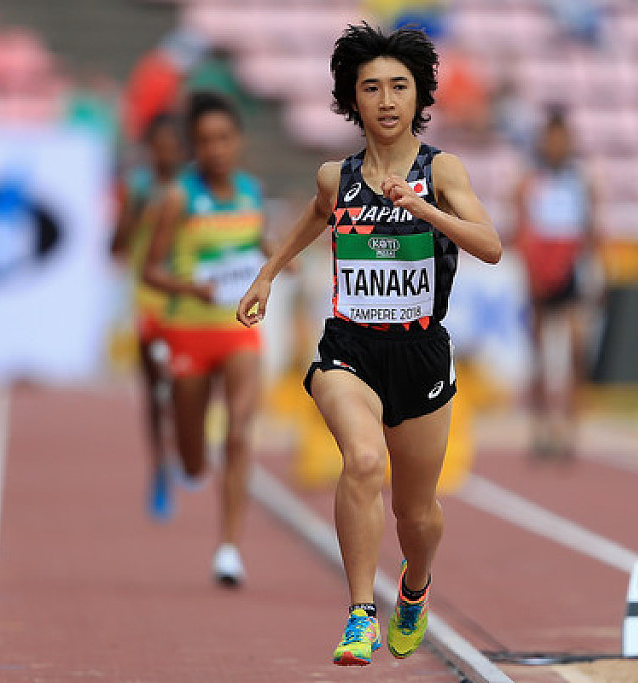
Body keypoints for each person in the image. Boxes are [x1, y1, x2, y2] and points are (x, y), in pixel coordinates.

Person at [238, 24, 501, 666]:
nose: (386, 100)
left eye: (399, 87)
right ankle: (361, 613)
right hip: (349, 348)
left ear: (419, 97)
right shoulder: (338, 177)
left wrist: (424, 210)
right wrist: (268, 274)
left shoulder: (442, 170)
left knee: (417, 513)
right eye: (372, 88)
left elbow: (491, 246)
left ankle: (415, 586)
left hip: (420, 353)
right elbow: (313, 217)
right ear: (351, 99)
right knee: (361, 461)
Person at [144, 91, 268, 587]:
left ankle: (229, 548)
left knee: (238, 433)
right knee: (194, 461)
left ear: (239, 141)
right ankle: (185, 454)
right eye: (205, 140)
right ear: (194, 146)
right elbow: (150, 271)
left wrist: (280, 261)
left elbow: (258, 242)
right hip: (189, 333)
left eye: (224, 138)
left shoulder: (252, 192)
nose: (216, 148)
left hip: (239, 330)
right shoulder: (179, 197)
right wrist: (192, 288)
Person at [513, 108, 600, 461]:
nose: (556, 145)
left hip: (571, 265)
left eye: (561, 139)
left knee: (577, 349)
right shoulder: (531, 178)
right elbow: (521, 224)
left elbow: (592, 228)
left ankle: (570, 428)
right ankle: (540, 428)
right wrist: (530, 268)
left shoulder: (581, 179)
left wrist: (596, 269)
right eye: (551, 139)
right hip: (540, 265)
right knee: (538, 353)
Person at [111, 113, 184, 521]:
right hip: (149, 302)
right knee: (156, 390)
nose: (166, 152)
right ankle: (160, 467)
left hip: (188, 302)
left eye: (173, 145)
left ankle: (185, 446)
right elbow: (116, 248)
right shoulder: (139, 190)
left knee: (187, 386)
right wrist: (132, 214)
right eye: (159, 145)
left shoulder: (192, 188)